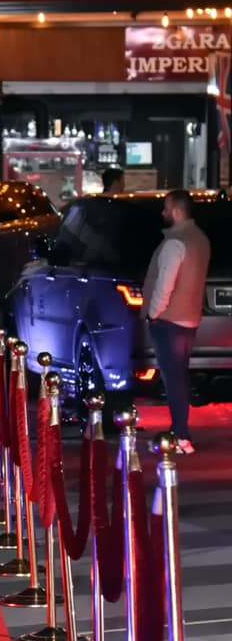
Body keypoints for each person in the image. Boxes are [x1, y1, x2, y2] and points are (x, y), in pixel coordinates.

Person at [140, 189, 210, 454]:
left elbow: (165, 284)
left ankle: (180, 436)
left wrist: (153, 313)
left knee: (173, 379)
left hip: (169, 321)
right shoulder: (201, 239)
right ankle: (179, 432)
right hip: (189, 319)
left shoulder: (174, 243)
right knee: (179, 376)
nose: (163, 212)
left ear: (178, 211)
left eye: (167, 208)